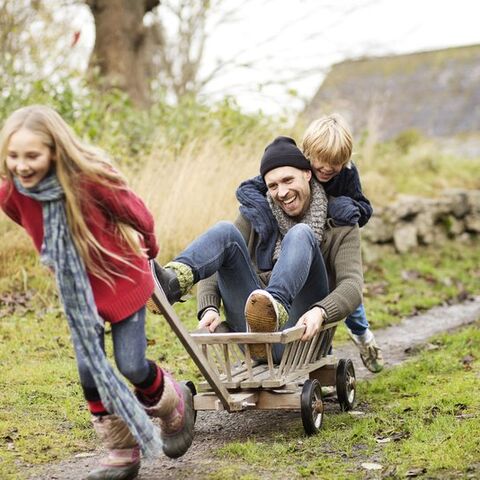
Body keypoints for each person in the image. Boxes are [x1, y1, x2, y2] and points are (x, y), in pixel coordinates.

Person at [0, 105, 194, 480]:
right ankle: (121, 451)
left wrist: (150, 246)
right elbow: (26, 218)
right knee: (89, 371)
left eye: (32, 156)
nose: (22, 166)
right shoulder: (14, 194)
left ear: (55, 150)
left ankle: (174, 402)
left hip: (122, 279)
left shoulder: (89, 181)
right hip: (78, 292)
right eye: (13, 156)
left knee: (131, 363)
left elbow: (138, 214)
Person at [149, 136, 364, 363]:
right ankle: (172, 282)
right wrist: (209, 308)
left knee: (301, 234)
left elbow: (352, 285)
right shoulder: (255, 214)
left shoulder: (342, 220)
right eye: (273, 186)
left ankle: (276, 306)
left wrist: (321, 311)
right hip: (254, 335)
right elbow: (214, 260)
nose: (282, 192)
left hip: (301, 335)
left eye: (288, 180)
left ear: (307, 174)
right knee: (225, 232)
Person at [302, 113, 384, 373]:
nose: (326, 168)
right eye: (320, 162)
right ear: (308, 153)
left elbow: (364, 208)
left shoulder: (348, 174)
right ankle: (320, 363)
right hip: (309, 246)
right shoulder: (298, 168)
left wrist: (346, 207)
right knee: (312, 303)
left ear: (345, 160)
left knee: (350, 303)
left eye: (335, 163)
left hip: (338, 249)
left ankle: (363, 338)